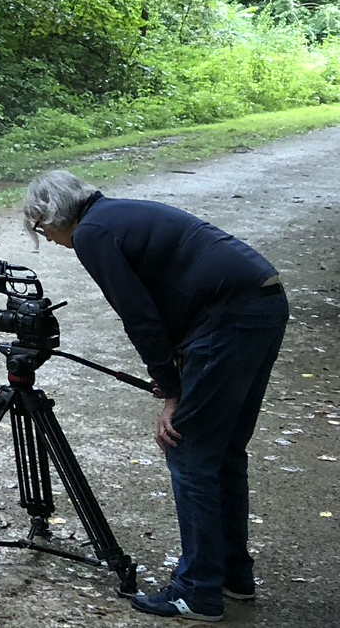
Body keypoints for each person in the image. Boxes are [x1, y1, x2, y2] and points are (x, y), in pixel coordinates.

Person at [22, 170, 288, 622]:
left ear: (52, 214)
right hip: (262, 302)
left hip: (230, 316)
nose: (45, 239)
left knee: (188, 452)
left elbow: (140, 317)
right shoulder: (117, 215)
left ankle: (198, 591)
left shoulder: (93, 233)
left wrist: (171, 391)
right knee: (221, 453)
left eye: (40, 228)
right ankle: (231, 576)